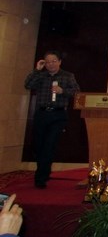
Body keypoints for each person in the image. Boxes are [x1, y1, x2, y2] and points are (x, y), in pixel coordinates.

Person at [24, 50, 80, 189]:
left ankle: (40, 177)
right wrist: (37, 70)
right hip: (41, 114)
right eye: (48, 62)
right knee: (38, 145)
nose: (51, 64)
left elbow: (77, 92)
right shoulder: (41, 75)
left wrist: (63, 91)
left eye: (54, 61)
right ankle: (44, 170)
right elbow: (28, 85)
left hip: (58, 115)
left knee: (49, 145)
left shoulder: (67, 76)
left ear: (60, 61)